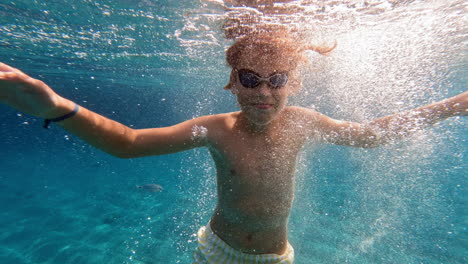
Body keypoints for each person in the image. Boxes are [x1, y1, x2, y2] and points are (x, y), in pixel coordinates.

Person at [0, 28, 466, 263]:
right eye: (250, 79)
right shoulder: (216, 130)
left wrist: (455, 104)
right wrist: (56, 106)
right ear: (231, 84)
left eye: (275, 80)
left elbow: (370, 134)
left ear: (294, 84)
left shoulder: (304, 124)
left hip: (273, 257)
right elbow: (131, 143)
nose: (263, 92)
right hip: (216, 250)